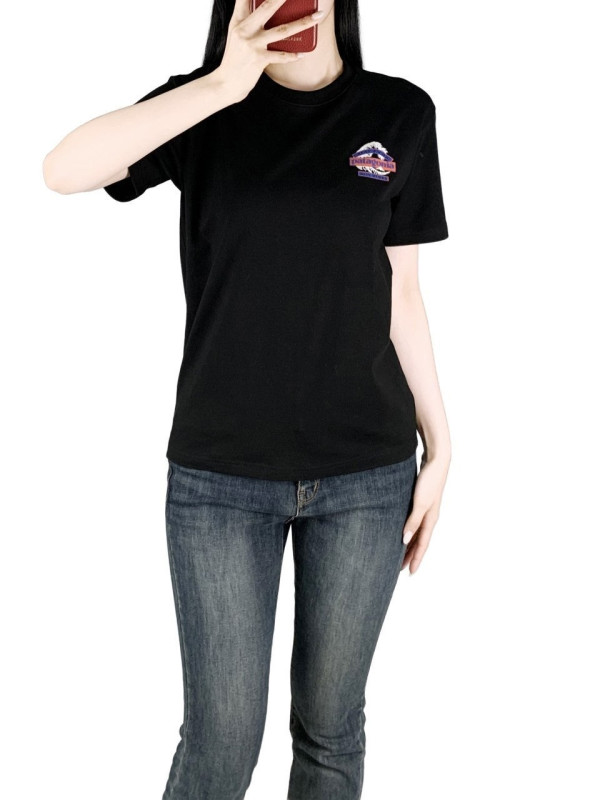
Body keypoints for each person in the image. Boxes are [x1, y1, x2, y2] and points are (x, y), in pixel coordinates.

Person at [43, 0, 452, 797]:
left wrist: (441, 444)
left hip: (367, 477)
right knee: (221, 743)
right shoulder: (204, 107)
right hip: (220, 480)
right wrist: (221, 85)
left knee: (331, 731)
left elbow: (402, 292)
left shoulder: (400, 113)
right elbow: (62, 170)